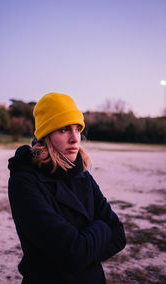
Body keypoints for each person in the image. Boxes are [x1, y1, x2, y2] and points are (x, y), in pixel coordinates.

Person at [8, 92, 126, 284]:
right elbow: (74, 254)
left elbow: (119, 236)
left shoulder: (82, 175)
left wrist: (84, 247)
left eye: (77, 129)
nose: (74, 139)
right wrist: (103, 227)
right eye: (63, 129)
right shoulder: (24, 181)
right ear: (46, 135)